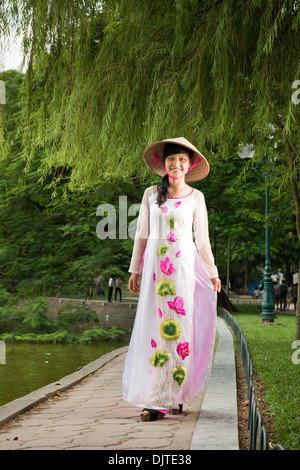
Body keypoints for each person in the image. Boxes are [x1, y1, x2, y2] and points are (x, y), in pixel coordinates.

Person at [122, 137, 221, 422]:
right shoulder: (151, 194)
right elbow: (141, 234)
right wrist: (135, 269)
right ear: (163, 165)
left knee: (179, 330)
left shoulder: (196, 197)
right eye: (171, 160)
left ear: (190, 165)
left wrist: (212, 272)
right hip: (154, 270)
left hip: (182, 271)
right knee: (155, 329)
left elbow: (202, 241)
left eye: (182, 160)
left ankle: (171, 396)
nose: (176, 164)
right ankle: (157, 395)